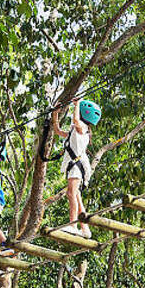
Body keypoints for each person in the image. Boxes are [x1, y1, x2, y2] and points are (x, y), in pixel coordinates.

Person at [51, 98, 101, 238]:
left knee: (71, 194)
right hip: (75, 166)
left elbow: (76, 120)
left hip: (77, 166)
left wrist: (76, 104)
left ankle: (73, 225)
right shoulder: (75, 130)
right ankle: (85, 229)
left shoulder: (82, 128)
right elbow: (58, 131)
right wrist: (55, 114)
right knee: (77, 197)